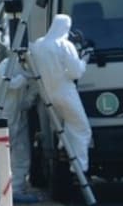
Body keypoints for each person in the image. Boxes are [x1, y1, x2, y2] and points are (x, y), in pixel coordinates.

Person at [30, 15, 93, 174]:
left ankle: (63, 147)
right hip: (65, 93)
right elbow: (75, 73)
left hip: (48, 95)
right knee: (82, 129)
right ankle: (80, 167)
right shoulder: (65, 45)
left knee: (66, 126)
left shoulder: (39, 44)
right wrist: (84, 59)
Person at [0, 58, 41, 205]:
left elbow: (34, 87)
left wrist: (29, 100)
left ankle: (17, 189)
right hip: (4, 117)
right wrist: (27, 77)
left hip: (19, 115)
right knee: (0, 155)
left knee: (22, 154)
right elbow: (11, 84)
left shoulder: (29, 66)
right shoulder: (5, 66)